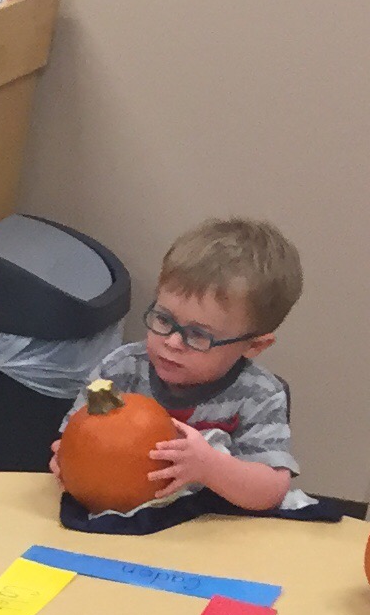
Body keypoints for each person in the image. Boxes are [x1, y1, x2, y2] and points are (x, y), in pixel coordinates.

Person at [59, 217, 308, 517]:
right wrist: (65, 459)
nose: (173, 342)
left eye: (198, 335)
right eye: (164, 319)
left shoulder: (259, 395)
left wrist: (209, 468)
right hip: (122, 516)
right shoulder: (120, 369)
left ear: (253, 345)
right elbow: (73, 437)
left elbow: (271, 490)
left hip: (211, 526)